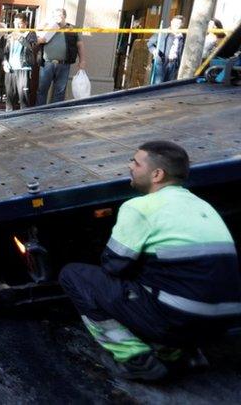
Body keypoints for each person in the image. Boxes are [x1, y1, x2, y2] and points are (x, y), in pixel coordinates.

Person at [59, 141, 241, 381]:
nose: (130, 166)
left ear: (157, 174)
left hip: (177, 320)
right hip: (225, 322)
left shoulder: (139, 207)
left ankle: (137, 359)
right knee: (166, 274)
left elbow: (114, 265)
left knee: (75, 276)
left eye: (135, 162)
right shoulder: (203, 206)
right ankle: (182, 353)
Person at [36, 8, 86, 104]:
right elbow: (37, 38)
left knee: (59, 91)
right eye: (55, 16)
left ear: (64, 16)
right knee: (42, 89)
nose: (57, 18)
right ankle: (39, 112)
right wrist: (44, 25)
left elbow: (80, 45)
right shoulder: (48, 27)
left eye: (59, 15)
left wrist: (82, 61)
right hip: (47, 64)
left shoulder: (72, 29)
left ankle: (55, 113)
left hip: (63, 65)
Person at [2, 13, 37, 111]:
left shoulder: (31, 34)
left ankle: (23, 119)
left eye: (19, 23)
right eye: (15, 23)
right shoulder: (10, 36)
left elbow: (32, 48)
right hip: (11, 69)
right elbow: (5, 52)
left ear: (25, 23)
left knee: (23, 97)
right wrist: (5, 62)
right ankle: (7, 117)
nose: (17, 26)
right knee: (9, 96)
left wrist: (20, 38)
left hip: (24, 68)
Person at [146, 15, 184, 84]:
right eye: (175, 23)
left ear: (181, 25)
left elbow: (180, 52)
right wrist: (154, 51)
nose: (176, 25)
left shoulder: (181, 36)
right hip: (161, 62)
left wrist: (178, 64)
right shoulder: (163, 32)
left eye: (178, 24)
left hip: (173, 64)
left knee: (168, 87)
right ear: (171, 22)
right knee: (157, 85)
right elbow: (150, 43)